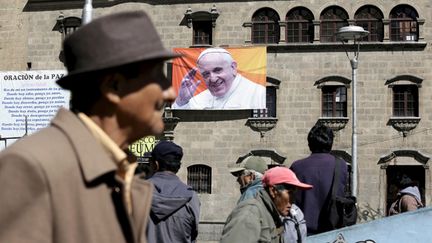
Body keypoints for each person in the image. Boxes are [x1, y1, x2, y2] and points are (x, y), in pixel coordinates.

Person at [0, 11, 179, 243]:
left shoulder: (123, 175)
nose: (171, 92)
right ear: (113, 86)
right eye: (158, 78)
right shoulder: (33, 167)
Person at [220, 166, 312, 243]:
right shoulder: (249, 213)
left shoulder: (271, 215)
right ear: (273, 191)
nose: (292, 201)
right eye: (290, 193)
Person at [290, 123, 348, 235]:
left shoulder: (297, 167)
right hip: (332, 230)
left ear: (309, 144)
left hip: (303, 231)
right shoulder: (341, 165)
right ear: (330, 143)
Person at [172, 47, 266, 109]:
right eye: (206, 74)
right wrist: (182, 100)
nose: (212, 79)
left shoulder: (258, 93)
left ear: (233, 68)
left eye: (217, 70)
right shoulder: (200, 99)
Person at [146, 141, 200, 243]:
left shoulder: (136, 192)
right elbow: (193, 235)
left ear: (156, 164)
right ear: (177, 167)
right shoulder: (192, 197)